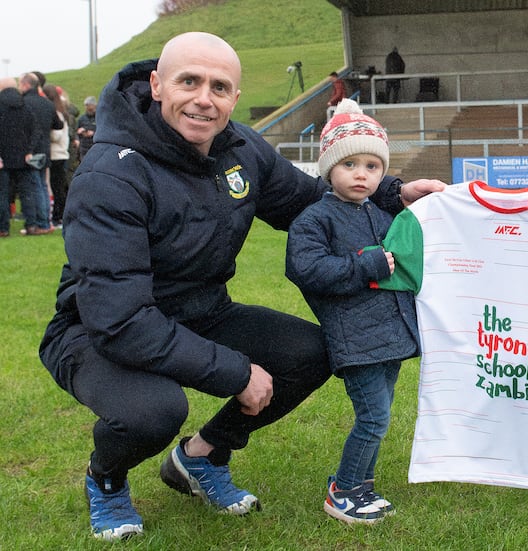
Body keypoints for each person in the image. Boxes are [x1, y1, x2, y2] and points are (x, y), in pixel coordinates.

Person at [38, 31, 444, 542]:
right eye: (190, 81)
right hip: (97, 331)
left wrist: (394, 192)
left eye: (220, 87)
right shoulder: (109, 176)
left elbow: (312, 202)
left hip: (202, 311)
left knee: (309, 353)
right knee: (156, 410)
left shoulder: (241, 148)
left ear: (234, 96)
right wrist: (235, 371)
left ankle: (200, 458)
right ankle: (107, 479)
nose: (204, 99)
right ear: (158, 85)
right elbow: (120, 320)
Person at [285, 99, 419, 525]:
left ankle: (362, 485)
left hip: (392, 336)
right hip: (355, 339)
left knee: (381, 414)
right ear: (329, 169)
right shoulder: (313, 220)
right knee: (374, 418)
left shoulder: (383, 213)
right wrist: (367, 266)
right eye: (350, 165)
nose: (362, 174)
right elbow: (306, 269)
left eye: (372, 166)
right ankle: (343, 491)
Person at [19, 72, 62, 232]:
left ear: (25, 84)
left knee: (33, 186)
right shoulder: (48, 104)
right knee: (43, 185)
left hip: (30, 150)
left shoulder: (23, 103)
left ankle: (39, 222)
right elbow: (58, 125)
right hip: (45, 149)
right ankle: (46, 221)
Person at [0, 76, 41, 236]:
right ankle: (31, 225)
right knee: (27, 193)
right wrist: (29, 150)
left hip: (3, 158)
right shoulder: (25, 106)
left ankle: (3, 228)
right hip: (23, 157)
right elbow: (36, 130)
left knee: (2, 193)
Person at [43, 84, 70, 228]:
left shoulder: (58, 113)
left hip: (57, 154)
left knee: (57, 187)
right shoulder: (60, 111)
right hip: (58, 154)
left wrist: (44, 132)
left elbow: (57, 135)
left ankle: (59, 216)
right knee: (57, 186)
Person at [75, 95, 97, 161]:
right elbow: (75, 131)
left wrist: (94, 133)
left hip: (95, 147)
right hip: (83, 148)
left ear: (94, 106)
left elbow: (104, 131)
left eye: (90, 107)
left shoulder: (99, 118)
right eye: (86, 106)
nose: (88, 109)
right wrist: (80, 132)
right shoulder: (81, 119)